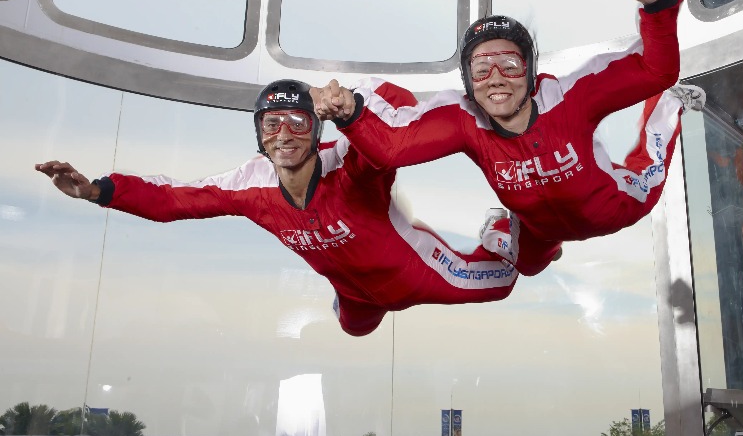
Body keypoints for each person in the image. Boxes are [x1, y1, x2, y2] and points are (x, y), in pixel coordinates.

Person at [315, 0, 705, 276]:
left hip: (614, 206)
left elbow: (655, 70)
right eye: (482, 69)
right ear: (468, 82)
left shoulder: (570, 97)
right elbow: (392, 149)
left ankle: (670, 104)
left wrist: (659, 6)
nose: (496, 79)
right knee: (529, 267)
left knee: (650, 164)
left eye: (510, 65)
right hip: (538, 229)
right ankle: (518, 235)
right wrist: (349, 111)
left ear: (531, 72)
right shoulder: (465, 120)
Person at [35, 80, 517, 337]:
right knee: (355, 329)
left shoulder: (349, 162)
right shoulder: (252, 184)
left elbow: (397, 107)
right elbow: (173, 198)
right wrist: (97, 190)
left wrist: (354, 105)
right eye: (271, 124)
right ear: (259, 134)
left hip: (418, 272)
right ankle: (352, 300)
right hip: (353, 291)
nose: (284, 134)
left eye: (297, 122)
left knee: (504, 285)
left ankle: (502, 224)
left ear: (317, 129)